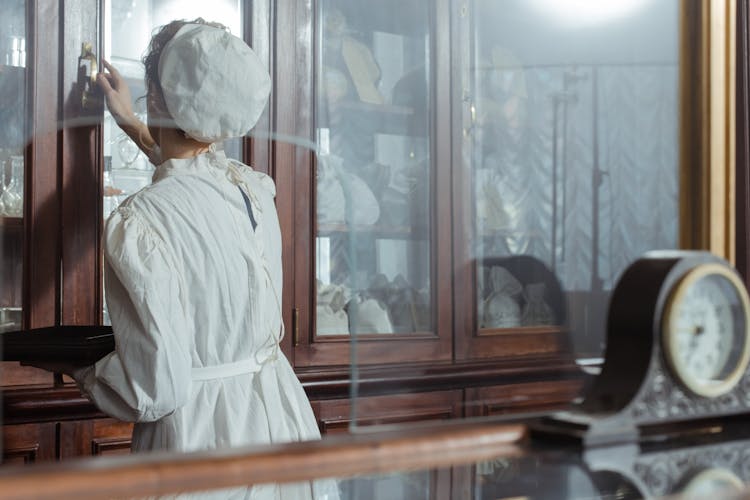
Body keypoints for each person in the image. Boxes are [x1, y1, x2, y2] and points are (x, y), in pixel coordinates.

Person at [40, 18, 338, 499]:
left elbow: (153, 388)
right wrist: (134, 126)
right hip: (280, 423)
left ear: (157, 97)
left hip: (198, 443)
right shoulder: (253, 190)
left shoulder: (140, 222)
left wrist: (80, 366)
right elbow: (192, 175)